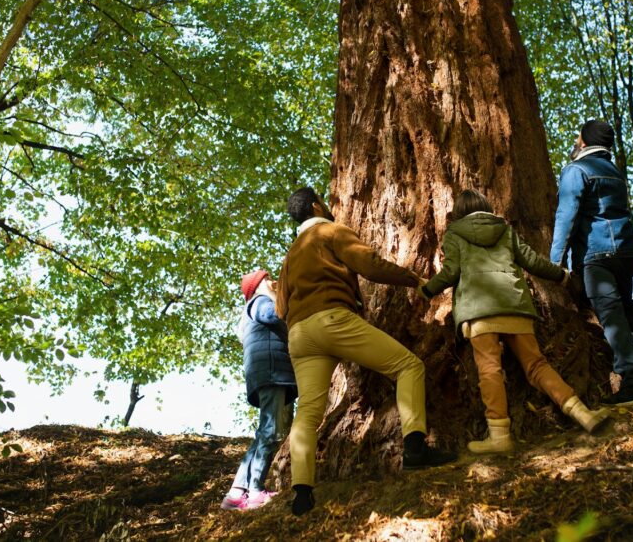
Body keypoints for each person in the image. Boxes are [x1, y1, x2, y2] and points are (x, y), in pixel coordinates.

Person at [277, 187, 457, 516]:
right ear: (316, 205)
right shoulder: (329, 230)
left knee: (309, 413)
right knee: (408, 366)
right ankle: (415, 449)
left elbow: (280, 308)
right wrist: (413, 279)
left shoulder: (290, 255)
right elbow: (370, 266)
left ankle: (302, 492)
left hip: (299, 335)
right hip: (332, 319)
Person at [419, 190, 611, 453]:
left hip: (479, 312)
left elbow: (451, 272)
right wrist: (562, 276)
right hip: (515, 307)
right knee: (536, 365)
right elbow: (532, 261)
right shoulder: (505, 230)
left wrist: (427, 290)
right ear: (486, 207)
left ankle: (499, 436)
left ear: (460, 212)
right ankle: (582, 414)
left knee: (489, 370)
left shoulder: (455, 233)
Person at [550, 120, 633, 407]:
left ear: (584, 140)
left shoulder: (576, 170)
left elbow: (566, 217)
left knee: (611, 312)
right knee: (627, 304)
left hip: (598, 254)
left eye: (577, 135)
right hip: (626, 252)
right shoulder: (613, 172)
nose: (575, 139)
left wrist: (554, 261)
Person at [220, 270, 298, 511]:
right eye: (267, 279)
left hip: (265, 374)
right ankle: (255, 491)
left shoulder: (249, 313)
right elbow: (273, 316)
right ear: (258, 286)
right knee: (270, 432)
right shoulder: (260, 302)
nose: (272, 281)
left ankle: (236, 493)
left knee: (264, 432)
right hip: (272, 373)